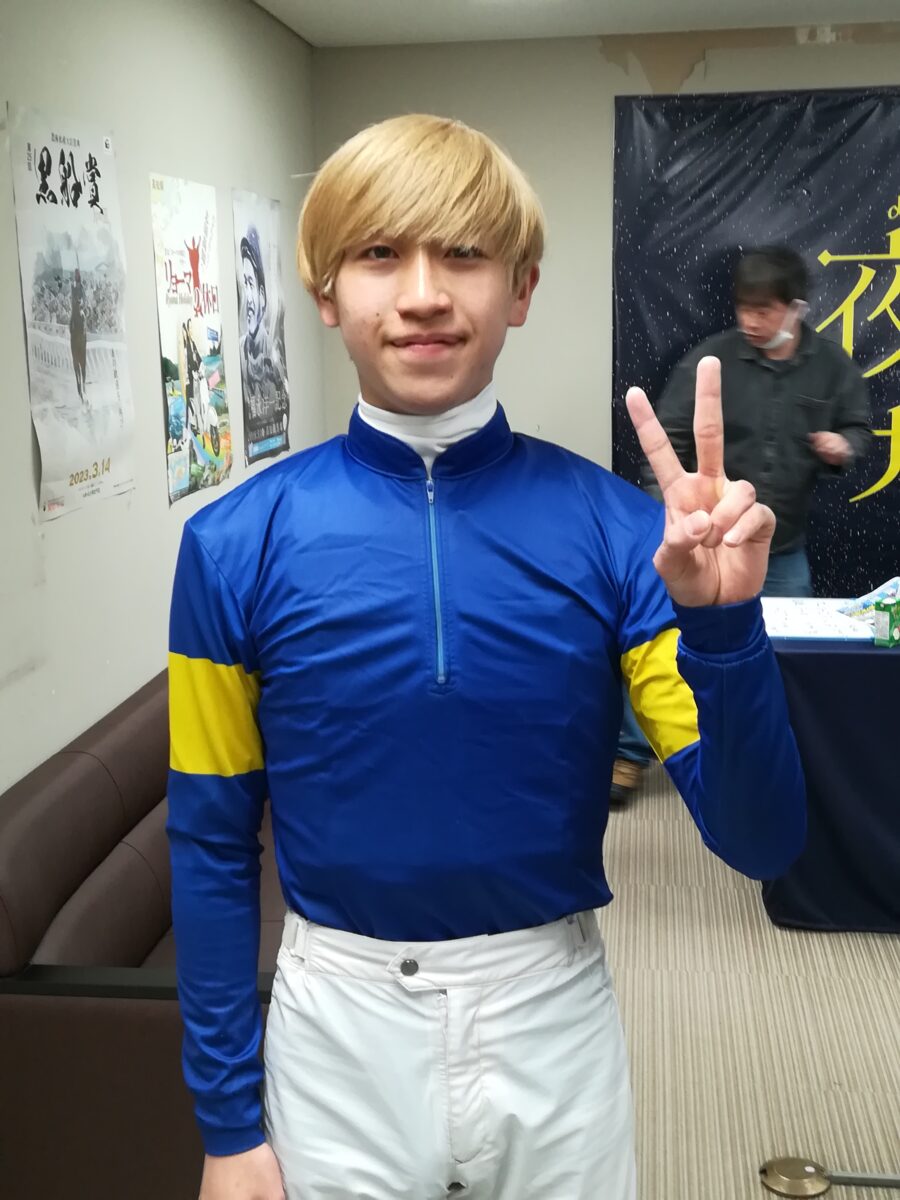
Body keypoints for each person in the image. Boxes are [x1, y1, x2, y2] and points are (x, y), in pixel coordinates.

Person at [167, 115, 806, 1200]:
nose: (423, 295)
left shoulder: (621, 533)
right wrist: (228, 1127)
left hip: (551, 1016)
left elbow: (760, 840)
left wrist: (724, 629)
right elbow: (211, 844)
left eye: (464, 254)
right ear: (324, 292)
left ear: (521, 288)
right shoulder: (232, 546)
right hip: (335, 1028)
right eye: (380, 254)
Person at [650, 245, 871, 599]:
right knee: (697, 629)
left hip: (783, 552)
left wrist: (845, 446)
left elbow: (858, 428)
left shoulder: (832, 366)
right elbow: (667, 441)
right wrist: (663, 518)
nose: (750, 321)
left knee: (791, 635)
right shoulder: (709, 361)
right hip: (710, 545)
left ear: (796, 309)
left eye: (763, 311)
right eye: (744, 309)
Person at [238, 225, 288, 415]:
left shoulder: (274, 359)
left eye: (251, 284)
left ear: (262, 295)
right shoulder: (241, 350)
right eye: (245, 283)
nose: (248, 297)